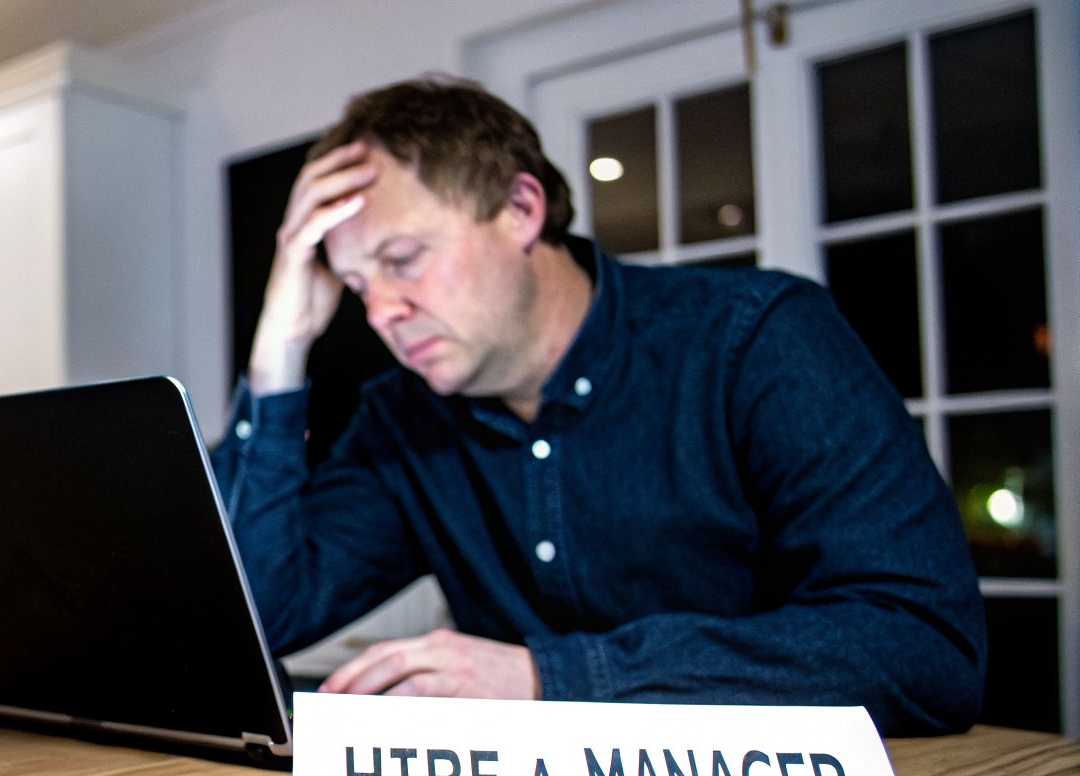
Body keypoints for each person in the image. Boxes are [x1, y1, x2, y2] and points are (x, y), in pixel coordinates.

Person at [210, 75, 985, 736]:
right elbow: (262, 620)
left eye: (403, 260)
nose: (381, 311)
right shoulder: (401, 420)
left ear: (521, 208)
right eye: (353, 285)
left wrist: (552, 678)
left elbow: (922, 646)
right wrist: (276, 362)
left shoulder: (754, 340)